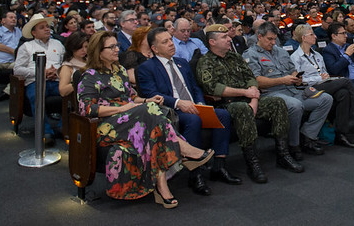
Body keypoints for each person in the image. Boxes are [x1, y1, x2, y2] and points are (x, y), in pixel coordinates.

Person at [77, 31, 213, 208]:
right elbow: (86, 109)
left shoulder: (119, 70)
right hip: (107, 126)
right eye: (111, 47)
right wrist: (122, 109)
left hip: (131, 120)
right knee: (150, 115)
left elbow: (132, 97)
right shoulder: (90, 76)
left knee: (153, 120)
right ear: (98, 51)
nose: (117, 49)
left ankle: (162, 186)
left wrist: (147, 100)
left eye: (117, 45)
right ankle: (184, 150)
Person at [197, 24, 303, 184]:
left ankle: (283, 154)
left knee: (277, 102)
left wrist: (253, 99)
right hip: (227, 104)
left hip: (249, 99)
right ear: (212, 42)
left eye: (228, 36)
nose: (229, 39)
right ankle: (253, 163)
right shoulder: (205, 62)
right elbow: (213, 88)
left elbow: (251, 78)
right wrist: (245, 93)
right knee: (243, 109)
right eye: (224, 37)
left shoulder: (235, 57)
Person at [137, 27, 237, 195]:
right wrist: (178, 103)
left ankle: (219, 166)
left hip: (194, 106)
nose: (171, 44)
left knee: (223, 115)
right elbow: (151, 94)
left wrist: (200, 103)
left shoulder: (182, 62)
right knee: (193, 120)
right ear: (155, 48)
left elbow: (195, 87)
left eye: (170, 39)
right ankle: (195, 174)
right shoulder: (147, 68)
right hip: (171, 111)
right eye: (165, 42)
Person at [243, 22, 333, 157]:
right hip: (272, 94)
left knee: (326, 99)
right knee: (295, 106)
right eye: (269, 39)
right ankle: (293, 145)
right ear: (259, 37)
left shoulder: (281, 51)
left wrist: (297, 77)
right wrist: (282, 80)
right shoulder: (251, 55)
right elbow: (256, 81)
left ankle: (307, 136)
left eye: (275, 39)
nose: (273, 42)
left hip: (293, 90)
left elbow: (293, 70)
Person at [290, 24, 354, 147]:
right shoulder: (295, 57)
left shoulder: (317, 55)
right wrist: (319, 78)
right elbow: (298, 80)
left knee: (344, 93)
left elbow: (324, 71)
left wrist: (325, 76)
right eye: (311, 34)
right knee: (346, 82)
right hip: (309, 89)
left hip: (324, 83)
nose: (315, 36)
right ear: (303, 38)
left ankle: (341, 134)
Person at [13, 13, 65, 145]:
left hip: (57, 80)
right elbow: (17, 69)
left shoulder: (58, 44)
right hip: (36, 81)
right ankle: (45, 131)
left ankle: (62, 126)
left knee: (72, 93)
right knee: (36, 96)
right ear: (34, 33)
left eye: (47, 26)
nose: (47, 29)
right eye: (42, 27)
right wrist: (41, 72)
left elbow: (65, 64)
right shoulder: (26, 47)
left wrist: (57, 72)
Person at [58, 31, 88, 96]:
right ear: (72, 47)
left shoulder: (91, 61)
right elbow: (62, 90)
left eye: (86, 47)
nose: (84, 50)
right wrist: (80, 82)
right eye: (80, 47)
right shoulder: (67, 66)